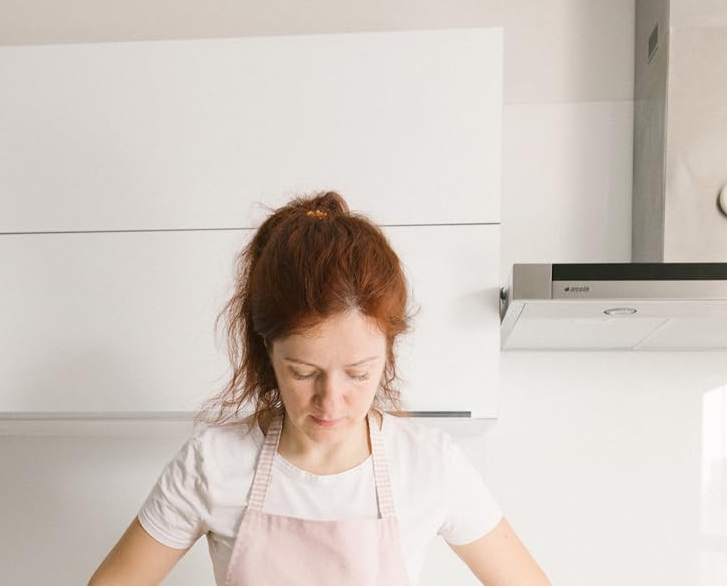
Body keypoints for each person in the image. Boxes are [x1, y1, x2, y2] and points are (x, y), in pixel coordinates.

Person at [89, 191, 550, 586]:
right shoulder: (213, 464)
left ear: (388, 351)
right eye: (304, 372)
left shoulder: (428, 465)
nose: (330, 401)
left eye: (358, 373)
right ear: (267, 350)